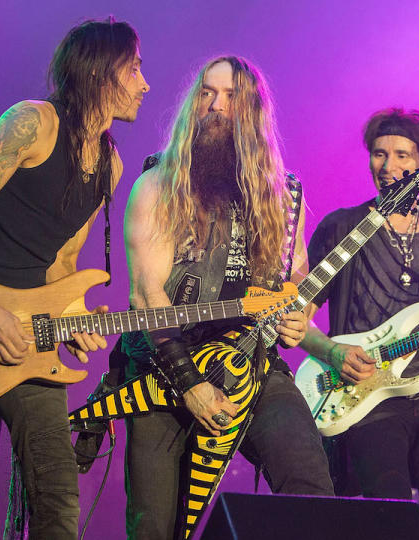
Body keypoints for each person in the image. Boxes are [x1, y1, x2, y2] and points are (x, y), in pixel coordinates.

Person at [0, 19, 149, 539]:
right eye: (133, 68)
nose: (144, 83)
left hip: (28, 335)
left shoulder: (110, 166)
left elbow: (63, 263)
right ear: (101, 73)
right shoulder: (32, 123)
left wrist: (74, 318)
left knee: (57, 493)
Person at [115, 55, 334, 540]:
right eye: (207, 94)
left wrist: (297, 318)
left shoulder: (282, 195)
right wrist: (190, 384)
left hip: (251, 361)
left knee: (313, 490)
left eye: (231, 96)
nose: (216, 106)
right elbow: (147, 296)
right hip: (165, 367)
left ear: (253, 110)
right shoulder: (157, 185)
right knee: (156, 526)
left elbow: (292, 287)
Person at [298, 108, 419, 501]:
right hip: (369, 403)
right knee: (388, 523)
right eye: (379, 154)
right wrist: (333, 352)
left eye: (402, 156)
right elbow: (295, 318)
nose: (388, 166)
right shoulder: (341, 228)